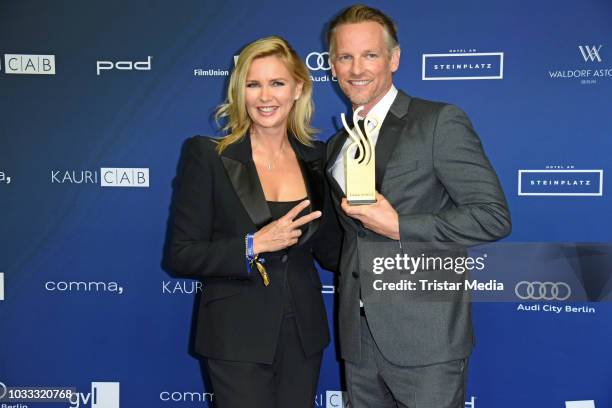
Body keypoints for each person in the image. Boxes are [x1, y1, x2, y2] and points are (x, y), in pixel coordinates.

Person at [325, 5, 512, 408]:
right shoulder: (337, 145)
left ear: (393, 58)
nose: (357, 68)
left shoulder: (438, 122)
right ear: (332, 65)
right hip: (357, 340)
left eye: (370, 55)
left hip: (426, 341)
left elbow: (492, 217)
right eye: (345, 57)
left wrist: (400, 226)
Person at [165, 36, 342, 408]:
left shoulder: (319, 158)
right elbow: (181, 255)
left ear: (298, 88)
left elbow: (330, 251)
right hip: (236, 334)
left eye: (276, 83)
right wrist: (254, 245)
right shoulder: (210, 156)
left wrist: (366, 218)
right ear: (239, 91)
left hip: (303, 333)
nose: (265, 96)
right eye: (253, 84)